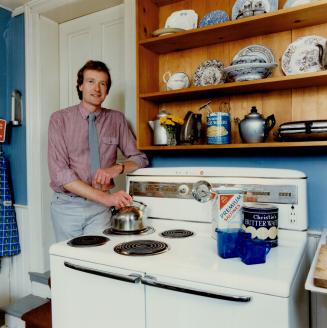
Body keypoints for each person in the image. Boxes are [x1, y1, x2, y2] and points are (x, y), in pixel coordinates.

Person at [48, 60, 149, 242]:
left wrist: (115, 169)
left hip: (100, 211)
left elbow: (140, 158)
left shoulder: (116, 119)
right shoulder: (59, 119)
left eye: (103, 83)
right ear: (80, 86)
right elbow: (60, 174)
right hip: (67, 208)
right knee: (69, 263)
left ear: (107, 90)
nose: (97, 88)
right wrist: (106, 199)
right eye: (91, 81)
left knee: (97, 260)